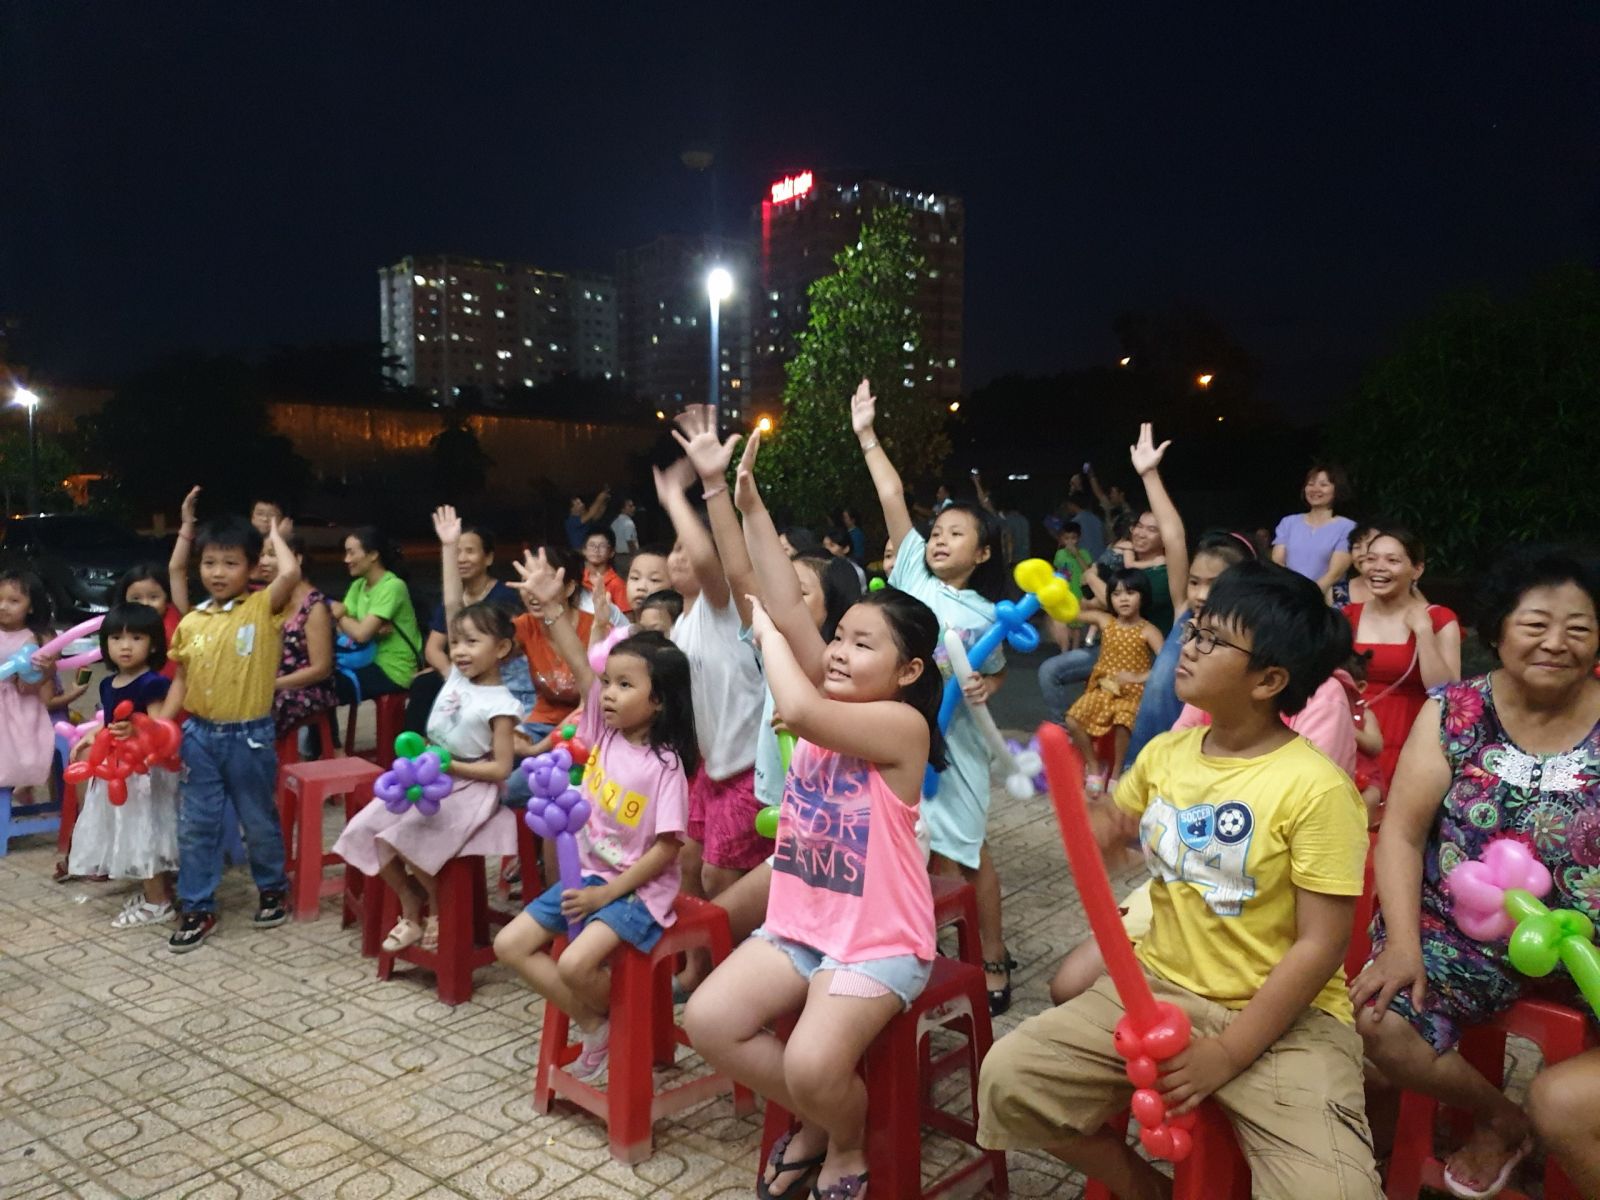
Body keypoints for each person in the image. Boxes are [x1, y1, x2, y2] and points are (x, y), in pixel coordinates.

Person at [979, 561, 1383, 1200]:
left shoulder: (1317, 788)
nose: (1188, 646)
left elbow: (1321, 945)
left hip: (1282, 1018)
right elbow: (1117, 830)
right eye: (1195, 629)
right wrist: (1093, 815)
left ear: (1269, 680)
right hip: (1156, 988)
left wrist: (1228, 1053)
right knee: (1009, 1080)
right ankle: (1147, 1190)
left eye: (1213, 639)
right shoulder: (1167, 755)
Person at [1351, 549, 1600, 1198]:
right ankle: (1502, 1117)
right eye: (1536, 624)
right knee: (1381, 1020)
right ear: (1498, 630)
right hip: (1463, 936)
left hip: (1589, 944)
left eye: (1578, 629)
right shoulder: (1456, 711)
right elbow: (1402, 835)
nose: (1556, 643)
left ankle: (1570, 1121)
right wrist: (1403, 945)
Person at [685, 585, 944, 1200]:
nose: (839, 651)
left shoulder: (903, 726)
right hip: (801, 928)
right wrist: (739, 519)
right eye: (838, 637)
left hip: (879, 943)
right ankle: (824, 1115)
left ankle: (846, 1139)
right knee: (708, 1021)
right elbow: (759, 579)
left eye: (863, 644)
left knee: (810, 1062)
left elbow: (799, 709)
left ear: (908, 671)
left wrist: (765, 633)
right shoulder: (826, 705)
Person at [497, 547, 697, 1084]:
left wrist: (605, 897)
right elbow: (584, 668)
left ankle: (634, 1019)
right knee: (509, 945)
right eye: (610, 683)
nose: (608, 694)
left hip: (636, 891)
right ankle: (598, 1022)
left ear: (659, 701)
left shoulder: (665, 766)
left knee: (572, 964)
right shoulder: (605, 731)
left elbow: (667, 850)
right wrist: (551, 609)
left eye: (626, 686)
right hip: (589, 875)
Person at [852, 378, 1019, 1014]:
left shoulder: (989, 612)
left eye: (957, 534)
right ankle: (929, 958)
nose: (941, 538)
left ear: (983, 552)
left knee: (966, 854)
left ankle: (991, 958)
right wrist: (868, 435)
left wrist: (985, 684)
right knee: (910, 853)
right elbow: (892, 497)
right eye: (938, 530)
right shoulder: (914, 575)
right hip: (900, 739)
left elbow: (996, 673)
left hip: (958, 751)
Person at [334, 601, 521, 953]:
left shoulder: (502, 704)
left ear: (501, 648)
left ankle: (432, 906)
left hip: (469, 785)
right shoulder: (456, 676)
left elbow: (501, 769)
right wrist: (449, 557)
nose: (460, 651)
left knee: (403, 835)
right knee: (365, 828)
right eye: (456, 642)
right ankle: (412, 896)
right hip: (427, 773)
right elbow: (451, 602)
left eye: (472, 642)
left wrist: (451, 766)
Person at [156, 516, 300, 952]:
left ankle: (272, 888)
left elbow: (290, 573)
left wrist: (274, 537)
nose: (218, 572)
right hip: (198, 736)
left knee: (257, 820)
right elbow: (181, 679)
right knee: (196, 825)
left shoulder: (262, 607)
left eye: (231, 563)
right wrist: (162, 726)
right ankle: (197, 906)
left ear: (253, 568)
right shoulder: (192, 621)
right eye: (210, 563)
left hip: (249, 737)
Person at [658, 408, 769, 903]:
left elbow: (706, 559)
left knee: (719, 879)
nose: (681, 556)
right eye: (674, 549)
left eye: (688, 546)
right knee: (687, 863)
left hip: (747, 767)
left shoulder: (720, 606)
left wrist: (674, 497)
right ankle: (698, 950)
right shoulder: (681, 625)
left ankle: (738, 947)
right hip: (710, 767)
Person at [66, 603, 180, 927]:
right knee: (129, 830)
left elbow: (159, 727)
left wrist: (135, 731)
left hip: (144, 773)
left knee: (144, 832)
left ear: (154, 644)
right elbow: (109, 724)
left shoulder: (152, 683)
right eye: (116, 638)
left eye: (136, 638)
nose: (125, 646)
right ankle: (155, 894)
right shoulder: (109, 684)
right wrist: (90, 737)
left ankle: (158, 903)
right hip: (117, 773)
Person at [1342, 527, 1462, 800]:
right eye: (1371, 559)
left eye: (1392, 560)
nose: (1378, 567)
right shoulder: (1347, 616)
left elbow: (1448, 692)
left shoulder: (1439, 618)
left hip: (1413, 733)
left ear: (1417, 570)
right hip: (1358, 735)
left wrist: (1424, 632)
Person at [405, 517, 522, 734]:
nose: (461, 558)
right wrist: (452, 675)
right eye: (456, 552)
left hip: (495, 674)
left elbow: (515, 649)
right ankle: (416, 748)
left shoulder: (505, 597)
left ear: (488, 558)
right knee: (425, 684)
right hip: (460, 670)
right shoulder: (450, 601)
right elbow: (433, 648)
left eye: (470, 551)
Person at [1062, 567, 1164, 790]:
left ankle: (1117, 773)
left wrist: (1137, 677)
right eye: (1116, 594)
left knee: (1123, 721)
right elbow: (1071, 613)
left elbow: (1165, 667)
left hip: (1132, 693)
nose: (1123, 599)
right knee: (1072, 719)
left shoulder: (1148, 630)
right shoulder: (1105, 620)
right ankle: (1094, 767)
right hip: (1103, 689)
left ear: (1143, 596)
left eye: (1130, 593)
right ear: (1109, 598)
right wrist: (1058, 594)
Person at [330, 527, 422, 709]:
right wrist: (358, 627)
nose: (346, 559)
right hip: (364, 659)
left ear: (373, 555)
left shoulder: (393, 586)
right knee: (319, 682)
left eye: (351, 553)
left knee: (327, 689)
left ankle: (325, 730)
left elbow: (361, 634)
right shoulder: (358, 586)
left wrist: (340, 615)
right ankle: (327, 730)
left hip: (393, 668)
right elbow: (341, 630)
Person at [261, 533, 336, 743]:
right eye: (261, 555)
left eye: (272, 555)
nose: (263, 561)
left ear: (297, 559)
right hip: (273, 683)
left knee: (263, 706)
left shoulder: (314, 606)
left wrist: (272, 684)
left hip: (308, 689)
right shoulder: (270, 600)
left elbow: (321, 669)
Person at [0, 568, 59, 795]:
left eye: (13, 601)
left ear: (31, 607)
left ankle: (20, 785)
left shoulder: (31, 639)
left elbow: (33, 683)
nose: (3, 606)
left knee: (16, 749)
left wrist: (43, 670)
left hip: (16, 706)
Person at [1272, 463, 1358, 592]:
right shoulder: (1288, 522)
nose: (1315, 489)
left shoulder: (1348, 527)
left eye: (1323, 485)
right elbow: (1277, 564)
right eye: (1311, 484)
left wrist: (1308, 595)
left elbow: (1334, 574)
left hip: (1327, 597)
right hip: (1288, 595)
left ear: (1337, 490)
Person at [580, 526, 631, 615]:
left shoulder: (617, 584)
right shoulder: (578, 578)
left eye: (602, 546)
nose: (596, 549)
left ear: (611, 552)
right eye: (591, 545)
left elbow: (627, 619)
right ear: (584, 550)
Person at [1331, 523, 1378, 609]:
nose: (1363, 553)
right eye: (1357, 547)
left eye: (1370, 545)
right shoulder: (1335, 593)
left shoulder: (1403, 590)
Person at [1064, 491, 1106, 560]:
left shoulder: (1075, 522)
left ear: (1073, 505)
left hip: (1085, 560)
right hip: (1102, 558)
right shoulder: (1095, 518)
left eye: (1068, 505)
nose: (1068, 508)